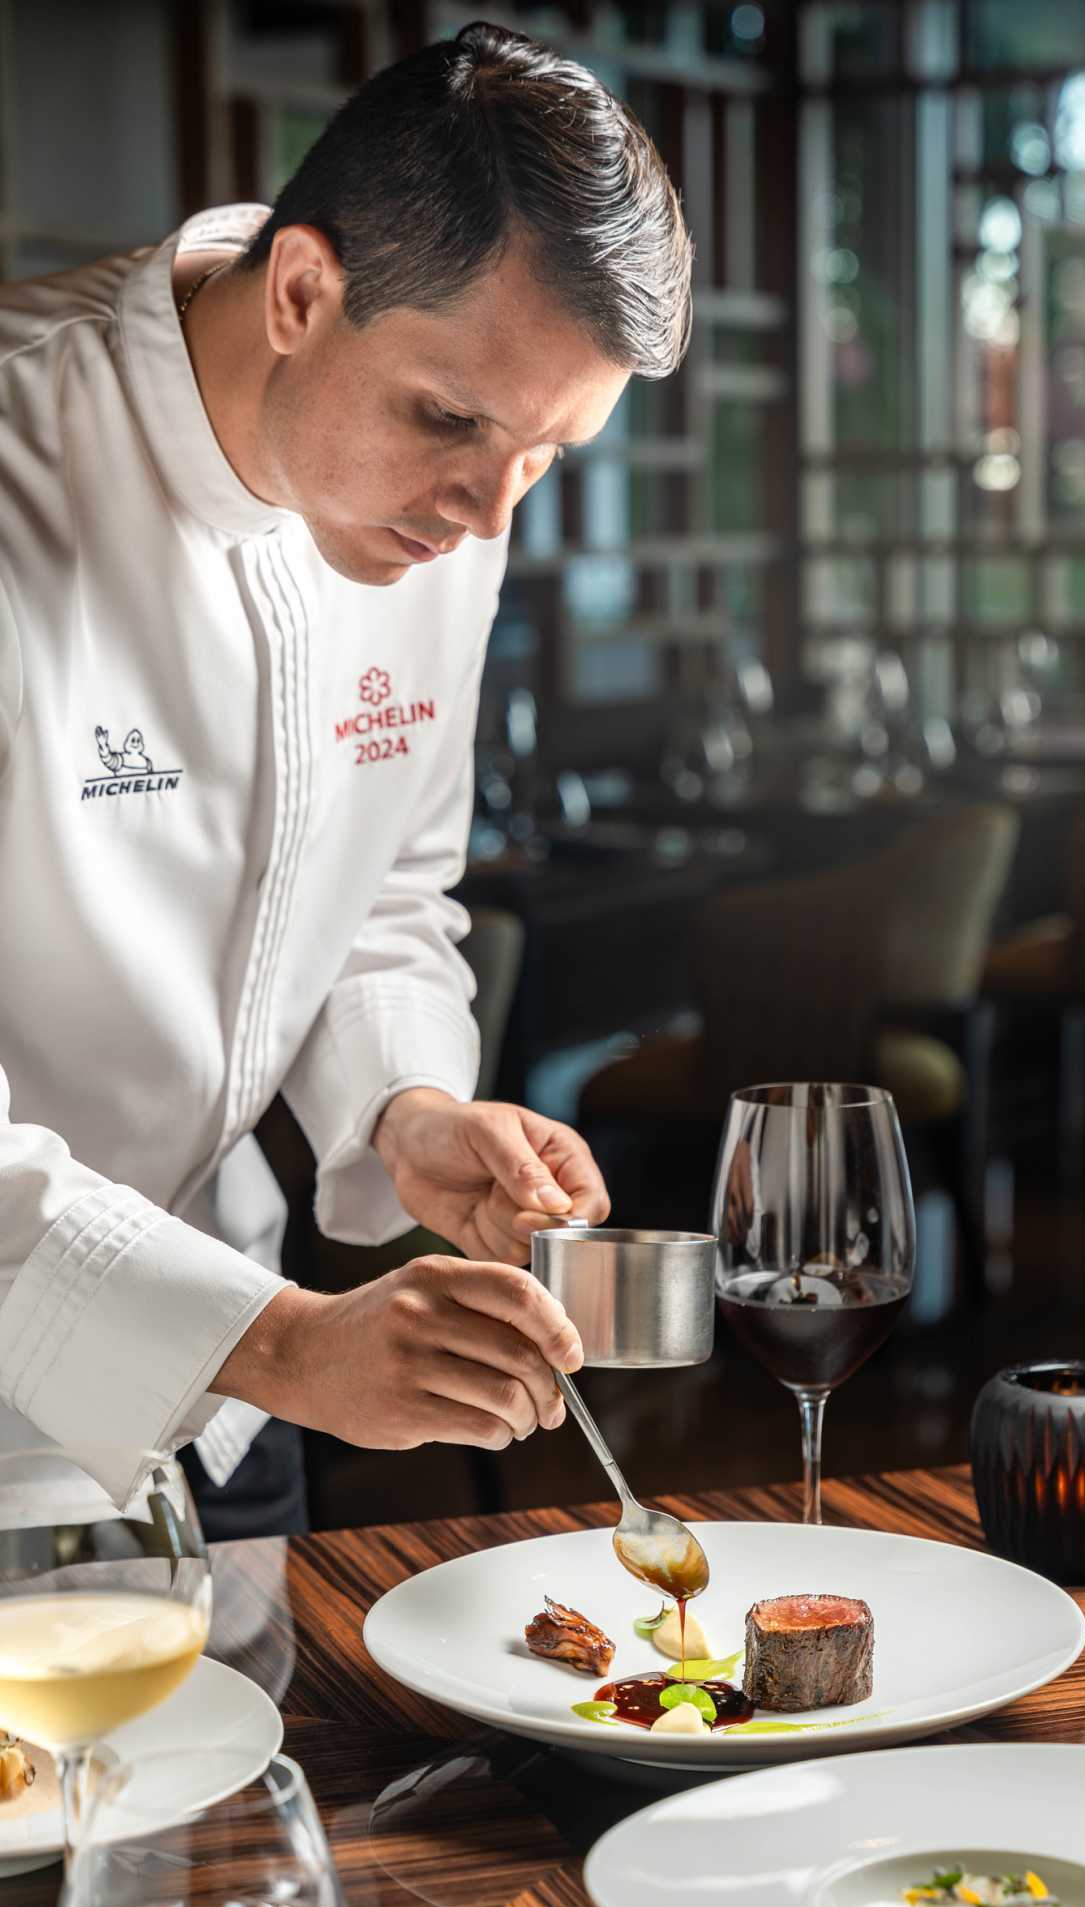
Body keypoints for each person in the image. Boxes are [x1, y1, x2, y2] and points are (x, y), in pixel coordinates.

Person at [0, 22, 693, 1534]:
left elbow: (380, 886)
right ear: (304, 289)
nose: (482, 511)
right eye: (448, 420)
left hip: (228, 1423)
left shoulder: (456, 502)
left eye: (548, 456)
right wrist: (291, 1342)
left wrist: (409, 1105)